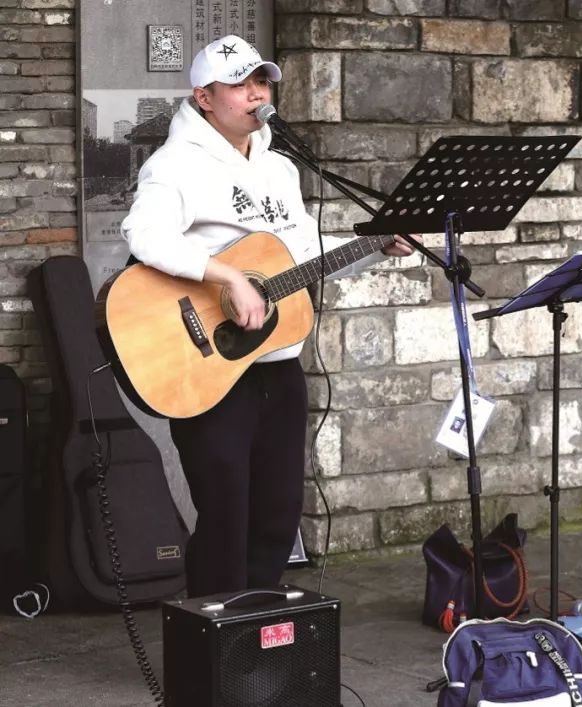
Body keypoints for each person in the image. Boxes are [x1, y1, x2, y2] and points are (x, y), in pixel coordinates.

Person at [121, 35, 416, 597]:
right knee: (225, 513)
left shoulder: (281, 168)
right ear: (204, 97)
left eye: (262, 82)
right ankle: (213, 640)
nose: (256, 94)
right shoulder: (174, 164)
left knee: (278, 514)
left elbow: (301, 263)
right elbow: (144, 235)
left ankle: (254, 632)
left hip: (275, 363)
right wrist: (227, 276)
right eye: (241, 84)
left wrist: (375, 245)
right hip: (208, 366)